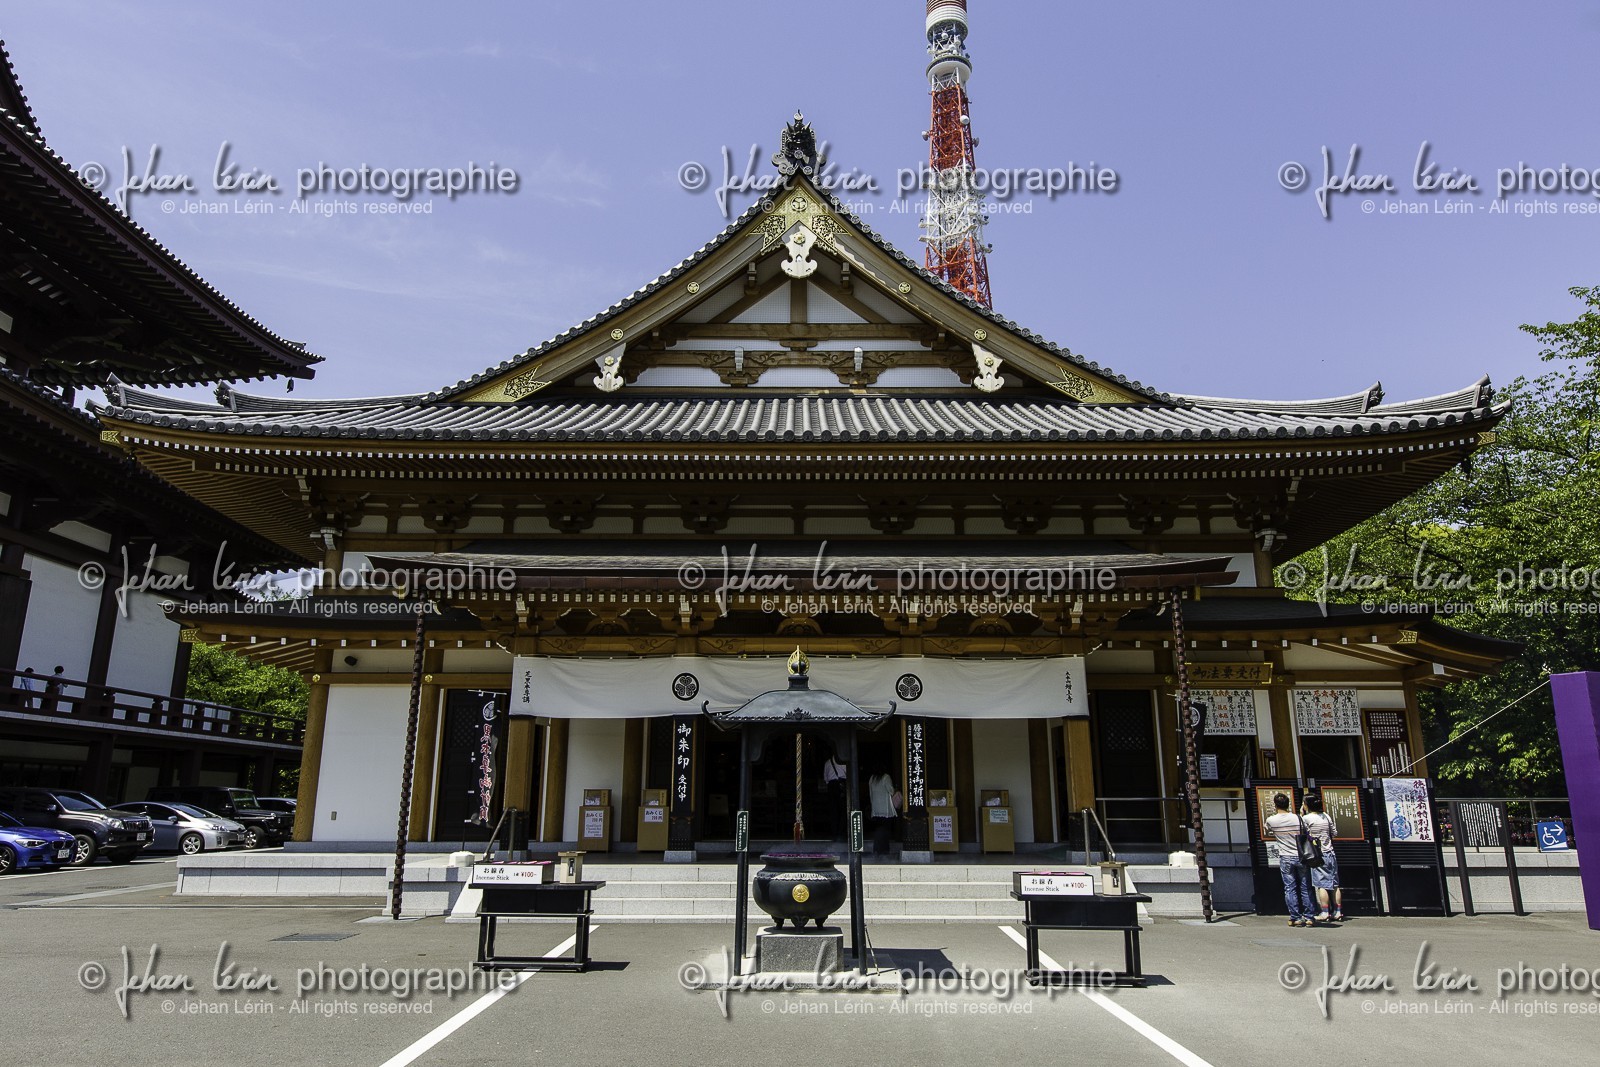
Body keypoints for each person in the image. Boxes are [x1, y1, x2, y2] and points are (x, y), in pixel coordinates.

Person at [1265, 792, 1315, 926]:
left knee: (1290, 887)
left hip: (1285, 856)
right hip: (1301, 855)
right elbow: (1306, 831)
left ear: (1275, 805)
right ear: (1289, 804)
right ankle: (1309, 916)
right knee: (1306, 887)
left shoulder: (1271, 820)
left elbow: (1268, 831)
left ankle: (1296, 917)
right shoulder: (1298, 818)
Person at [1302, 792, 1343, 922]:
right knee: (1334, 884)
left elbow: (1302, 834)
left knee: (1321, 885)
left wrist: (1302, 815)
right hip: (1330, 852)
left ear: (1307, 805)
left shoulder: (1307, 819)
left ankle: (1325, 912)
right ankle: (1338, 911)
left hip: (1317, 854)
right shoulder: (1326, 816)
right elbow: (1334, 833)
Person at [867, 768, 899, 858]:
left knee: (878, 831)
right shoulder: (886, 777)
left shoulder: (872, 778)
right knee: (885, 831)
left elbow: (870, 793)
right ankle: (884, 850)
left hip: (876, 809)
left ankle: (877, 849)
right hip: (886, 809)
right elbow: (891, 791)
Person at [821, 750, 848, 839]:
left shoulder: (827, 763)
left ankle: (834, 832)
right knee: (843, 810)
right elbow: (847, 774)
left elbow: (825, 778)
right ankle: (841, 831)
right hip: (841, 785)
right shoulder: (843, 762)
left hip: (831, 786)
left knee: (833, 810)